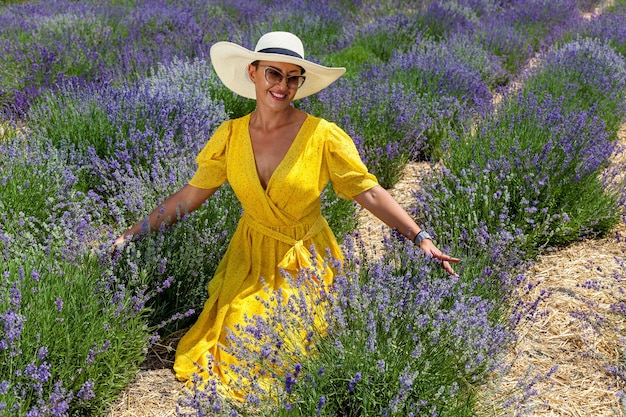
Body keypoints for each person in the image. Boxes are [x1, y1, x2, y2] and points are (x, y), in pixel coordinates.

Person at [113, 31, 460, 397]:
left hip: (305, 264)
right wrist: (131, 234)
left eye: (292, 77)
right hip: (249, 260)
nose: (282, 85)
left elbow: (369, 191)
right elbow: (189, 195)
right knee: (231, 346)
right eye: (273, 74)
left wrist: (420, 237)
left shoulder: (322, 136)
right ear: (253, 72)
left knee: (282, 354)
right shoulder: (229, 136)